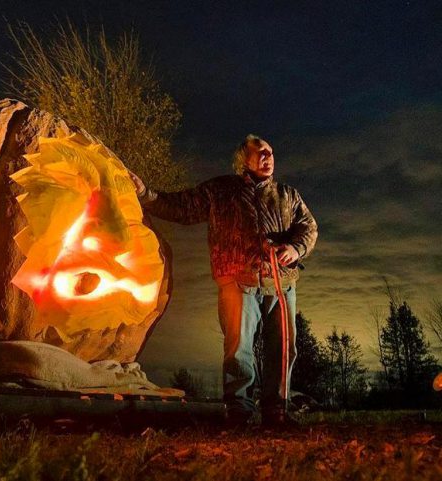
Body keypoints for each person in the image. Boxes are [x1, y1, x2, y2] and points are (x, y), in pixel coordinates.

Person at [129, 134, 318, 427]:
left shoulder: (287, 195)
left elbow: (308, 227)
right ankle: (239, 412)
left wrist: (295, 248)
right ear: (244, 160)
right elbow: (181, 207)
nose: (267, 156)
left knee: (283, 348)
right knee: (238, 350)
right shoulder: (220, 190)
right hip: (237, 281)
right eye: (260, 153)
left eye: (270, 151)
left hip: (281, 285)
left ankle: (277, 411)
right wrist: (145, 194)